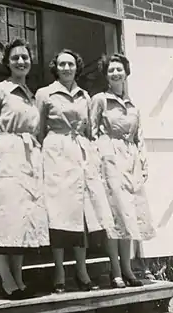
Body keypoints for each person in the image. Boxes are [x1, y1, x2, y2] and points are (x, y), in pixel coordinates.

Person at [35, 49, 116, 293]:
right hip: (55, 154)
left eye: (71, 64)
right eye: (62, 64)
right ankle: (59, 271)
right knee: (59, 214)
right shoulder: (44, 94)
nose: (67, 68)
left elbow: (90, 129)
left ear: (76, 67)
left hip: (79, 154)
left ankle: (81, 271)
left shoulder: (85, 96)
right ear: (56, 68)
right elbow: (38, 130)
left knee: (81, 213)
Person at [0, 38, 49, 300]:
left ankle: (19, 279)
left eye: (25, 57)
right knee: (2, 219)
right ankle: (7, 280)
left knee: (21, 220)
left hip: (29, 162)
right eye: (15, 57)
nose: (21, 61)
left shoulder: (31, 96)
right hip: (5, 158)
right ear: (7, 62)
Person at [91, 53, 156, 288]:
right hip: (109, 159)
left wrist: (143, 162)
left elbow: (139, 137)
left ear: (126, 73)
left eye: (119, 69)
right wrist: (98, 159)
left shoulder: (132, 105)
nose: (116, 73)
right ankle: (115, 270)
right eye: (111, 70)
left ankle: (128, 269)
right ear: (106, 76)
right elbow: (92, 131)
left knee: (129, 215)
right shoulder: (100, 100)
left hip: (130, 162)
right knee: (114, 215)